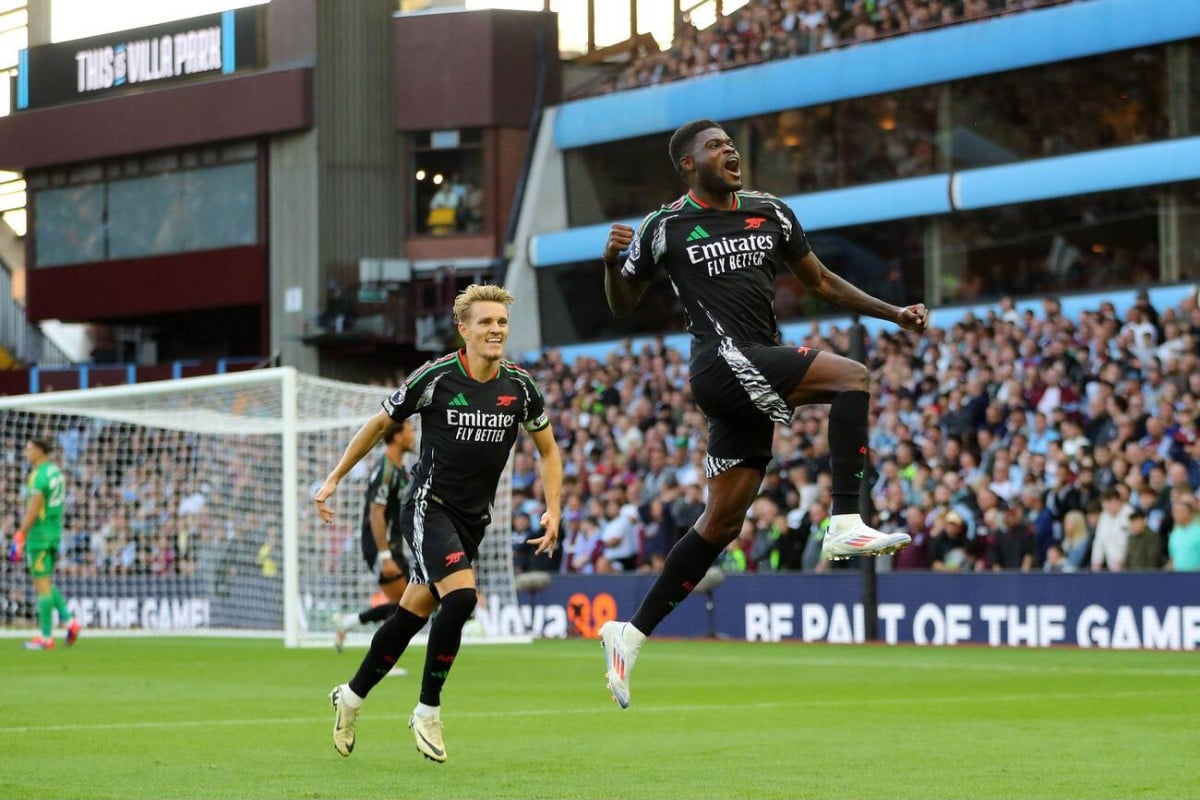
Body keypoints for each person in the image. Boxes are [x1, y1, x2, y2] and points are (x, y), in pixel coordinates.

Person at [597, 119, 927, 707]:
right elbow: (625, 304)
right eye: (715, 146)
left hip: (746, 370)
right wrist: (609, 264)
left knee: (721, 523)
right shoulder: (662, 226)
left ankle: (630, 634)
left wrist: (892, 311)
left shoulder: (770, 211)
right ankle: (846, 522)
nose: (730, 151)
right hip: (722, 365)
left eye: (730, 143)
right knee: (852, 377)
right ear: (688, 165)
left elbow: (820, 280)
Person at [314, 284, 562, 763]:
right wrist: (333, 479)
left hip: (474, 519)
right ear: (463, 329)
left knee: (410, 615)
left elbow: (549, 450)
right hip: (429, 506)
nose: (496, 330)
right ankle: (427, 708)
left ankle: (351, 696)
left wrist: (554, 507)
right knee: (463, 597)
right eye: (486, 322)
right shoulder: (436, 377)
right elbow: (379, 424)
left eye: (502, 323)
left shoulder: (521, 387)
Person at [332, 420, 416, 654]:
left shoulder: (399, 470)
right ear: (397, 437)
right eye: (410, 430)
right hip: (381, 548)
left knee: (407, 605)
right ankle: (383, 660)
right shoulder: (385, 470)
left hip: (393, 546)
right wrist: (385, 556)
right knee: (405, 608)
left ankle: (348, 623)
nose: (413, 435)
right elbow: (376, 515)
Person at [15, 438, 81, 650]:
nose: (26, 453)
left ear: (39, 451)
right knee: (45, 582)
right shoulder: (56, 472)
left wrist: (20, 534)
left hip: (39, 535)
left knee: (41, 586)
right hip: (54, 533)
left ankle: (46, 637)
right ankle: (70, 622)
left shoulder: (39, 475)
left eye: (29, 449)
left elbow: (33, 510)